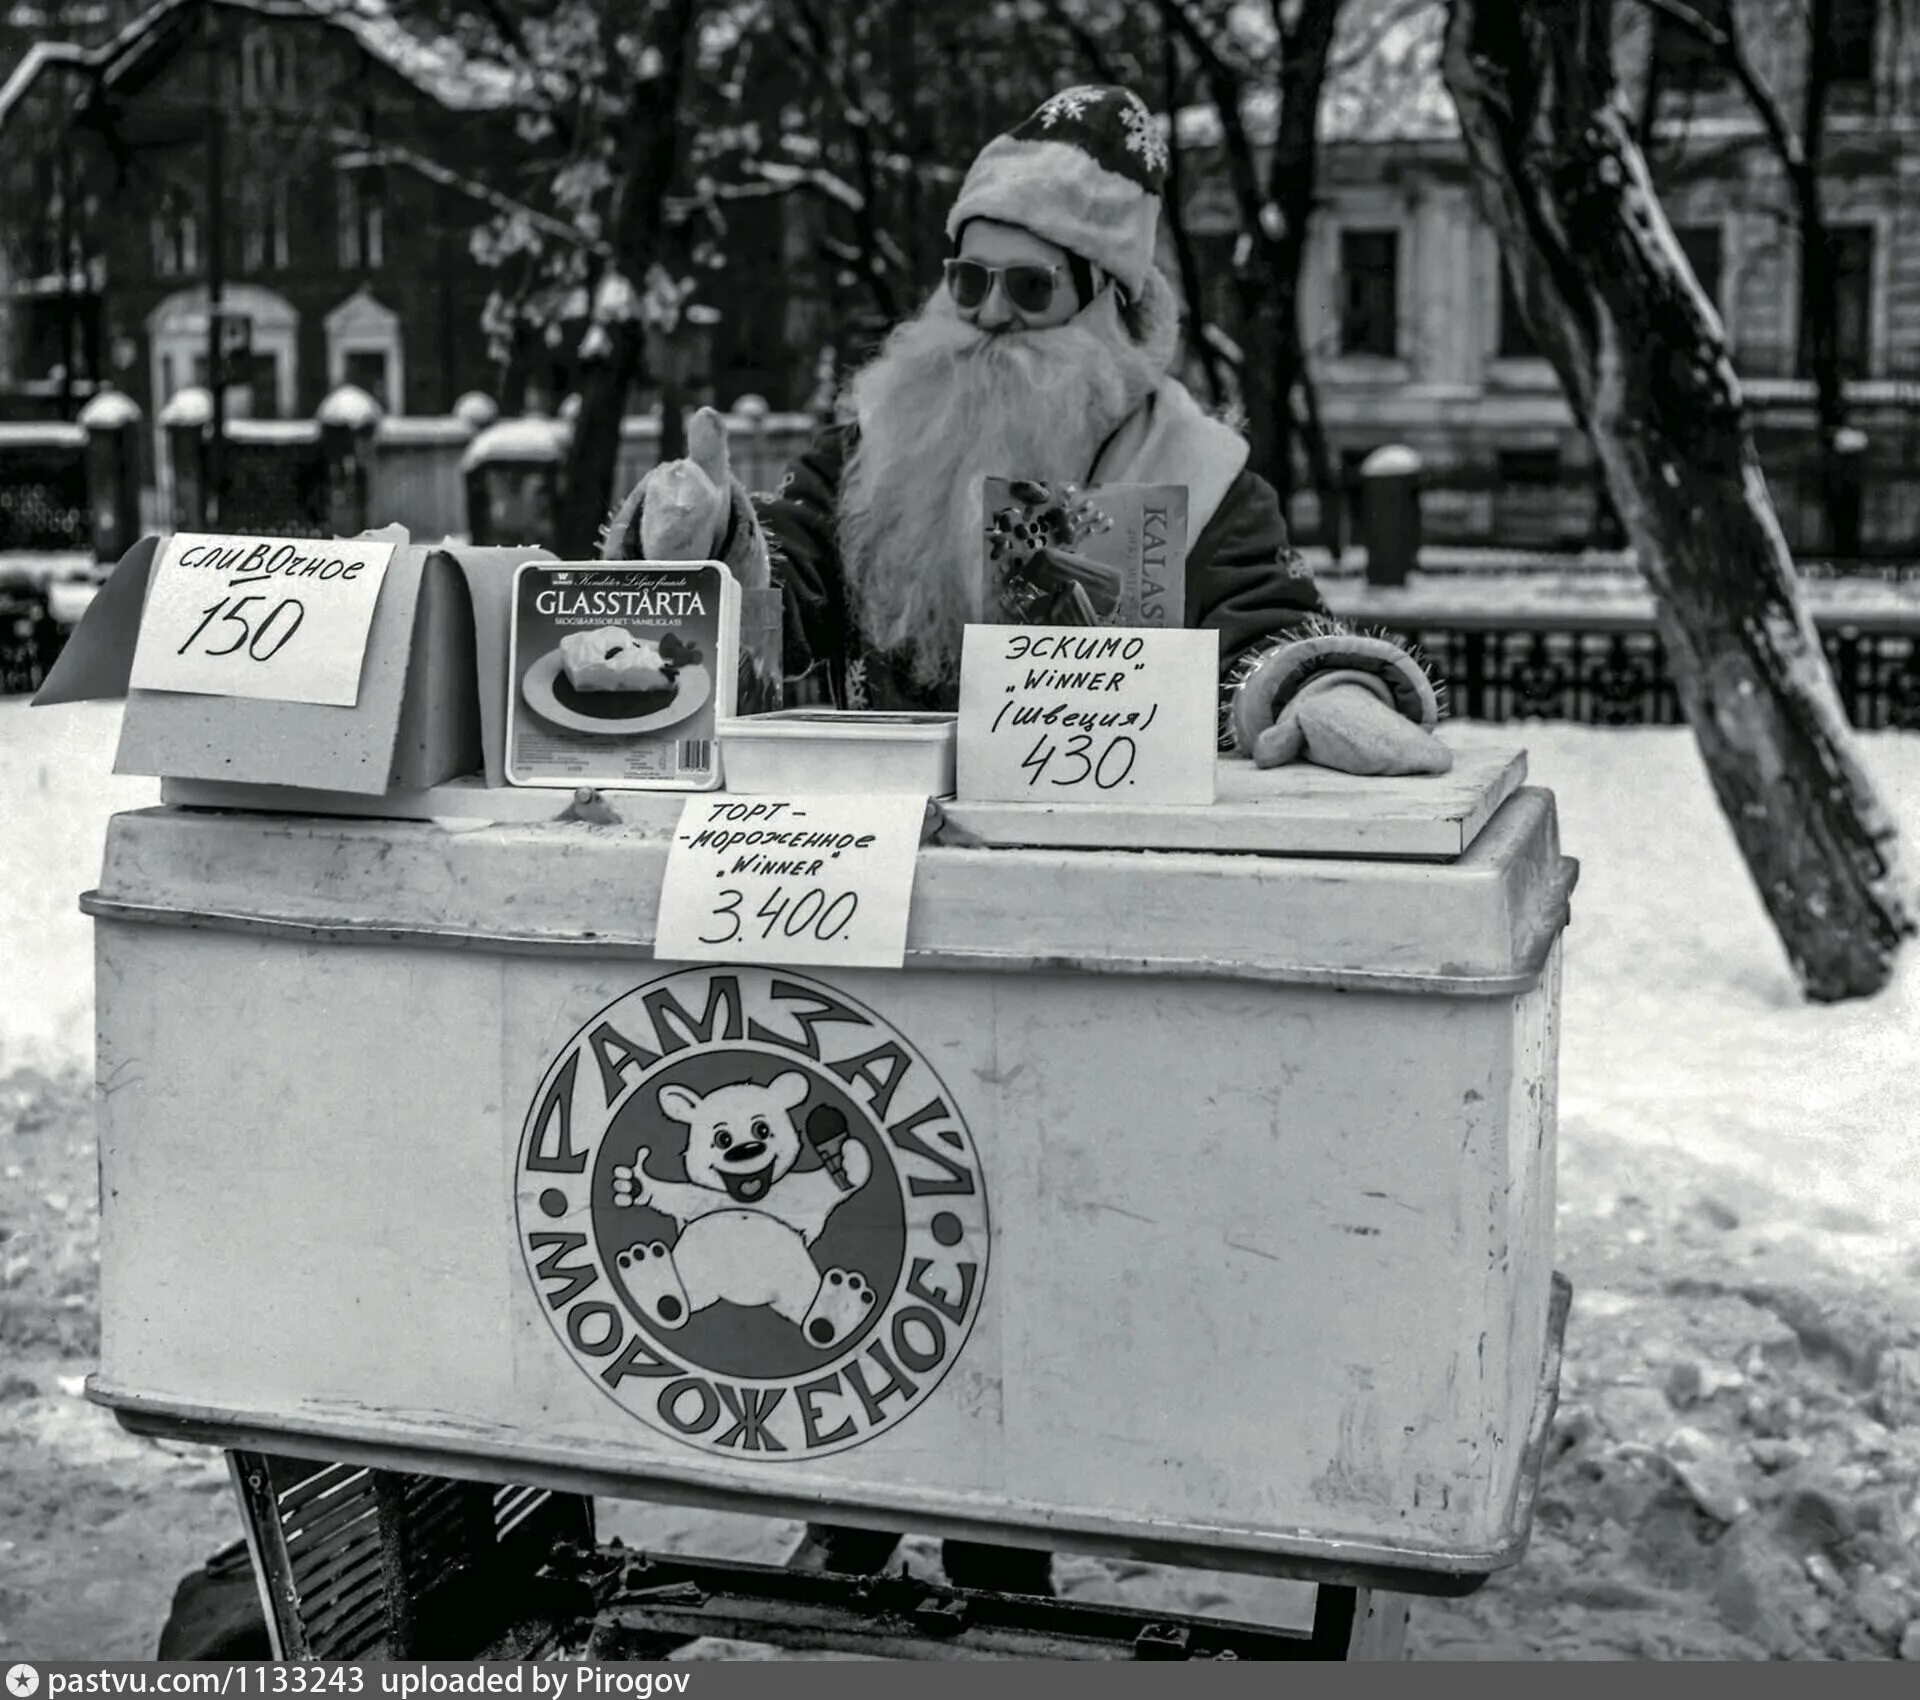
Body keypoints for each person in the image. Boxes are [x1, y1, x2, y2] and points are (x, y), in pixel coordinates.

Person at [750, 83, 1450, 777]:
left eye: (1030, 287)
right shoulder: (872, 447)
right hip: (884, 849)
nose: (990, 313)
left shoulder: (1195, 471)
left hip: (1099, 855)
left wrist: (1313, 689)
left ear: (1103, 304)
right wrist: (707, 550)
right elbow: (781, 573)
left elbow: (1262, 628)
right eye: (969, 281)